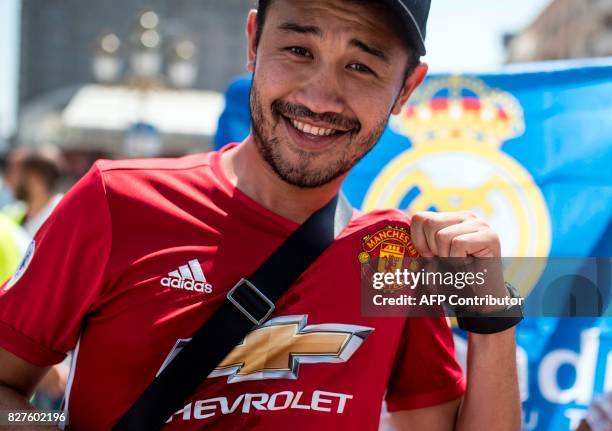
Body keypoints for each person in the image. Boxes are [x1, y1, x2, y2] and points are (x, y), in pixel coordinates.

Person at [0, 1, 521, 430]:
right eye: (298, 50)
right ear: (253, 43)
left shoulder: (394, 256)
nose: (319, 97)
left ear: (406, 88)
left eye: (361, 65)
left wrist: (491, 315)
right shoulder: (116, 202)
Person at [13, 147, 65, 237]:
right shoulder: (15, 212)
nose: (11, 179)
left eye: (16, 173)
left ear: (35, 179)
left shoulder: (63, 211)